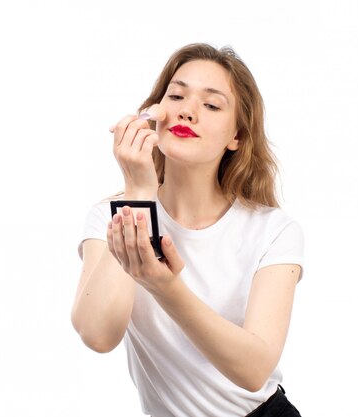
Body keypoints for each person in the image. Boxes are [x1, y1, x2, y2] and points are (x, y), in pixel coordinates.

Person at [72, 43, 304, 417]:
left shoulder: (273, 230)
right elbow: (97, 334)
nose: (187, 110)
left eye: (211, 105)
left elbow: (254, 369)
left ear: (237, 138)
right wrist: (138, 194)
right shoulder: (112, 215)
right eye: (177, 95)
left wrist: (166, 287)